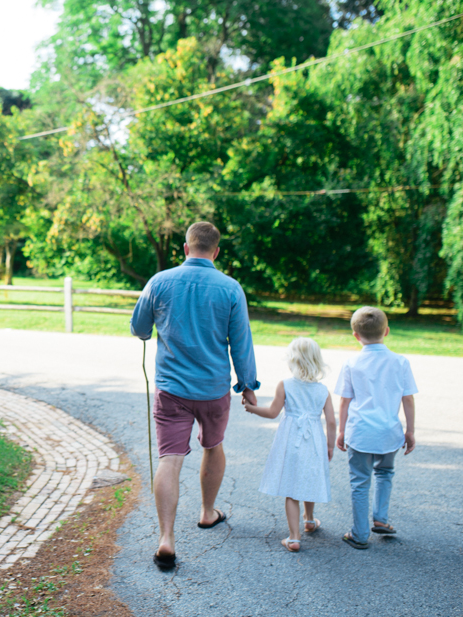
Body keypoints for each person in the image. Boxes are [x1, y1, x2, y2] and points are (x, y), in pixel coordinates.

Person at [130, 221, 260, 570]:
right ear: (216, 252)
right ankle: (206, 512)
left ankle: (166, 539)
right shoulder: (231, 288)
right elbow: (241, 342)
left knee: (170, 458)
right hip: (213, 390)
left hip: (171, 390)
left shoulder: (159, 282)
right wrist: (248, 385)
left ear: (186, 248)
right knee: (212, 446)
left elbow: (139, 328)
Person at [242, 338, 336, 552]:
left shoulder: (286, 385)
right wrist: (330, 446)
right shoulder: (323, 391)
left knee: (292, 488)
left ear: (292, 360)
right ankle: (309, 519)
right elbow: (331, 421)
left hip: (290, 441)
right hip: (313, 441)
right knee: (309, 480)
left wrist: (251, 408)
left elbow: (273, 412)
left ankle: (294, 537)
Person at [335, 306, 417, 549]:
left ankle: (359, 534)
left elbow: (344, 400)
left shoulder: (351, 363)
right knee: (385, 473)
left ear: (356, 335)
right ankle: (380, 518)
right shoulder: (400, 362)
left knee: (360, 482)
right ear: (387, 331)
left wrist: (341, 430)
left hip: (360, 432)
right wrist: (410, 430)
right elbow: (408, 398)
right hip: (389, 433)